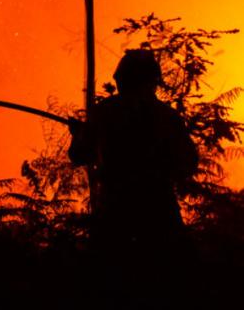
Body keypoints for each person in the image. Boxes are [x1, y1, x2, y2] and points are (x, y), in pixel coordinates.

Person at [69, 50, 198, 277]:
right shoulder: (167, 116)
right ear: (152, 81)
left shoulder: (105, 112)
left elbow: (80, 155)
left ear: (122, 79)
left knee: (112, 282)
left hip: (116, 211)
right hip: (160, 211)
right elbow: (188, 163)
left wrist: (79, 135)